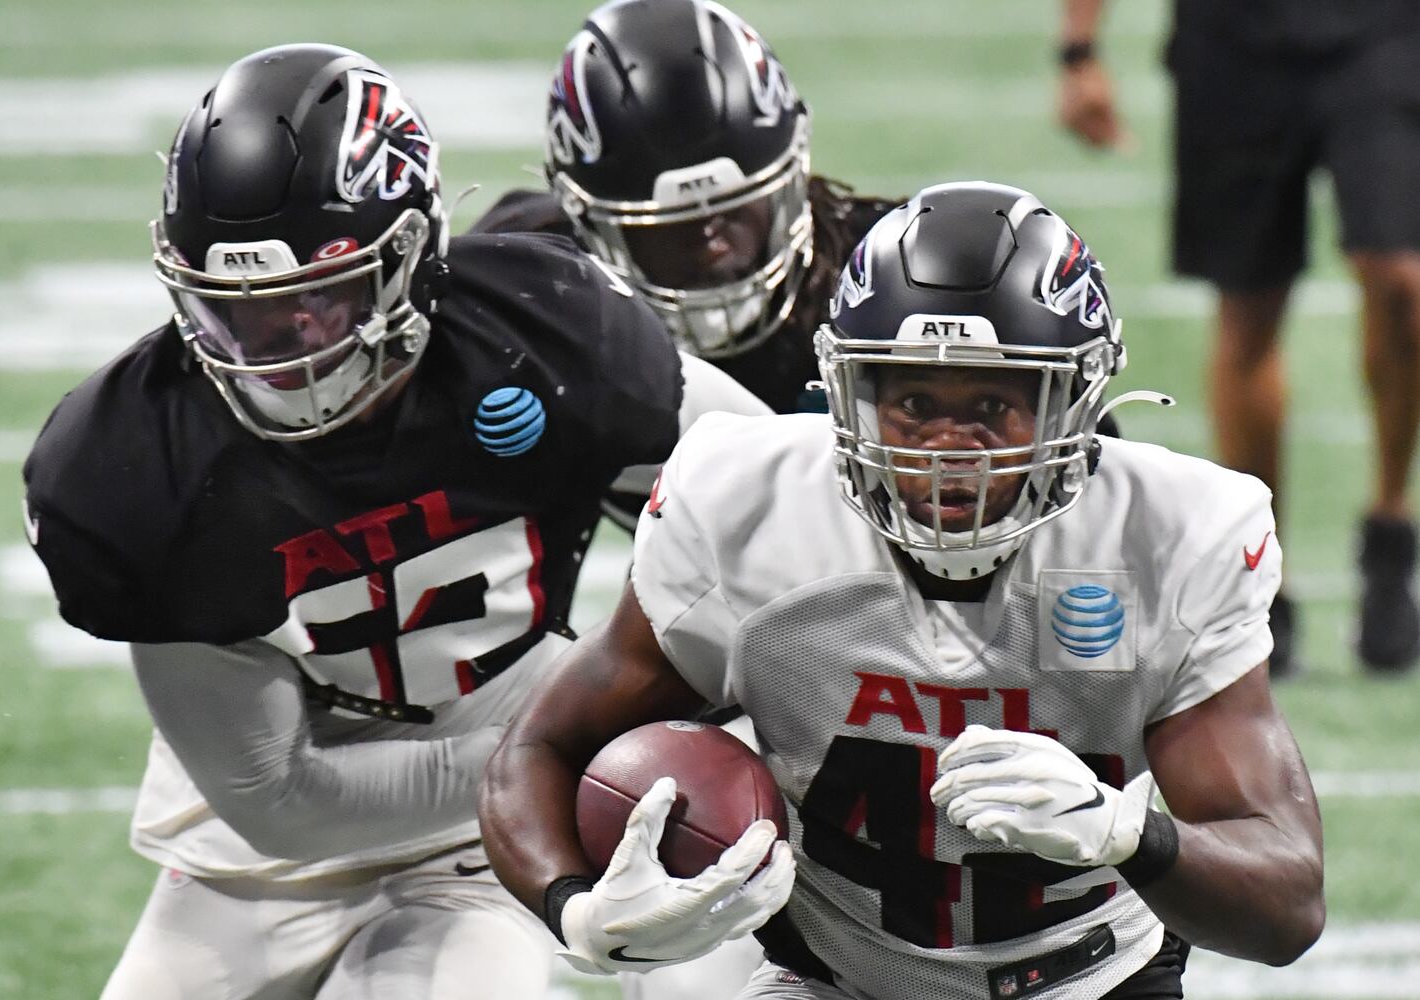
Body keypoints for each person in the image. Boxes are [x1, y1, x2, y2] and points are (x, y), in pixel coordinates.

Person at [22, 43, 767, 999]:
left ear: (413, 257)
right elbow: (277, 803)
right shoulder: (131, 467)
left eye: (316, 303)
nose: (274, 355)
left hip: (490, 772)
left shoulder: (543, 331)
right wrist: (567, 757)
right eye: (235, 313)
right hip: (274, 829)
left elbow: (762, 491)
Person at [479, 182, 1326, 999]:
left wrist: (1128, 834)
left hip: (1089, 977)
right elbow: (537, 750)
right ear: (848, 397)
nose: (949, 448)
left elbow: (1287, 903)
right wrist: (580, 911)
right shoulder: (746, 506)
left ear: (1075, 403)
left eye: (995, 404)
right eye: (914, 402)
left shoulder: (1169, 533)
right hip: (828, 980)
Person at [1056, 0, 1420, 676]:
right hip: (1233, 37)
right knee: (1249, 306)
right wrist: (1079, 48)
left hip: (1385, 26)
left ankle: (1391, 529)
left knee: (1401, 281)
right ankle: (1263, 570)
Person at [470, 0, 898, 418]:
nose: (712, 247)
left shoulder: (883, 270)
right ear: (581, 215)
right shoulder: (526, 292)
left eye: (735, 210)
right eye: (670, 227)